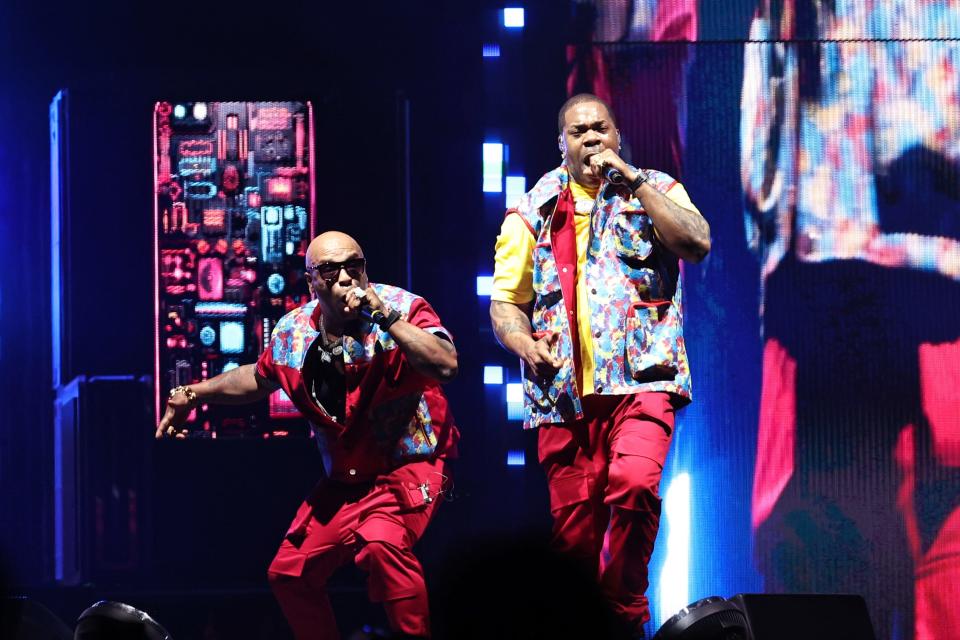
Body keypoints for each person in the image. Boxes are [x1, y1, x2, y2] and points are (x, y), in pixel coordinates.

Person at [157, 231, 459, 640]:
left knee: (380, 544)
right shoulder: (294, 334)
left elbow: (445, 364)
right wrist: (192, 393)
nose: (346, 279)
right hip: (348, 480)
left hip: (413, 465)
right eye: (330, 270)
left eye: (355, 266)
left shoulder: (402, 308)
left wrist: (387, 318)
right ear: (311, 281)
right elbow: (257, 378)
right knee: (289, 573)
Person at [489, 93, 710, 637]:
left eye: (600, 128)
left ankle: (625, 607)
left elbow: (696, 242)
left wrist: (633, 182)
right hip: (562, 396)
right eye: (578, 131)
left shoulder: (657, 189)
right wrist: (521, 341)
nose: (591, 138)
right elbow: (505, 303)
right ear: (560, 144)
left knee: (635, 485)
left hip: (643, 380)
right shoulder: (530, 210)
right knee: (574, 544)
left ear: (617, 135)